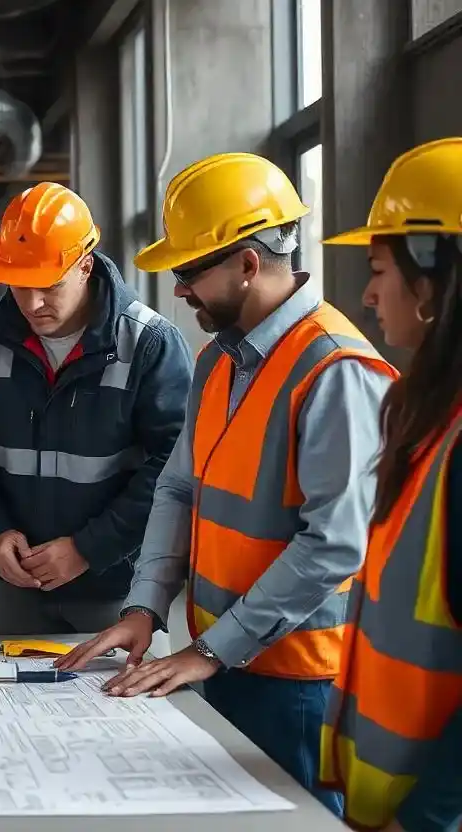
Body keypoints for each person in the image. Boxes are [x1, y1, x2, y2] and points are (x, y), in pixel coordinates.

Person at [58, 151, 398, 817]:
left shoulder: (338, 371)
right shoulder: (219, 361)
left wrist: (212, 649)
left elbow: (334, 543)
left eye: (189, 271)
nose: (179, 290)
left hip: (301, 681)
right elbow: (179, 488)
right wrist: (145, 608)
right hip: (222, 661)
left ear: (247, 264)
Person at [0, 181, 192, 637]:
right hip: (17, 586)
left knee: (120, 706)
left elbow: (172, 468)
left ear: (85, 266)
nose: (32, 303)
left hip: (118, 589)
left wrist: (88, 548)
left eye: (49, 286)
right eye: (19, 287)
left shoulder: (150, 344)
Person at [316, 137, 462, 832]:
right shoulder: (427, 418)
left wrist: (426, 817)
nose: (368, 293)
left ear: (432, 275)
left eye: (379, 269)